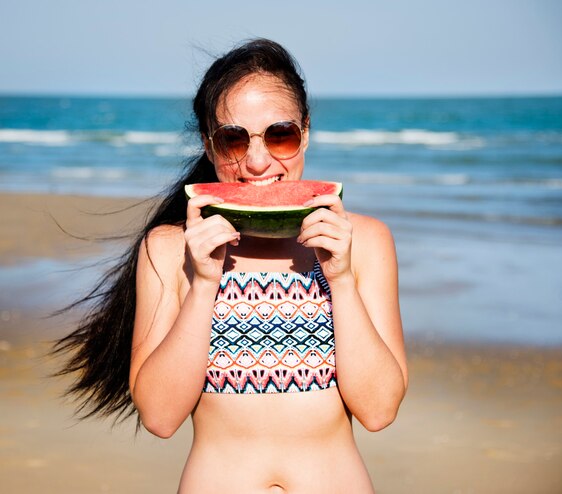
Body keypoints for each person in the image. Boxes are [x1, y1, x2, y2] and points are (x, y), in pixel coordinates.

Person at [55, 38, 408, 493]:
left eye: (280, 134)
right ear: (209, 144)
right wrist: (203, 284)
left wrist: (339, 279)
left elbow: (379, 411)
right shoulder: (169, 250)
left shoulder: (365, 242)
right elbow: (161, 418)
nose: (258, 163)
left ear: (306, 130)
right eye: (233, 139)